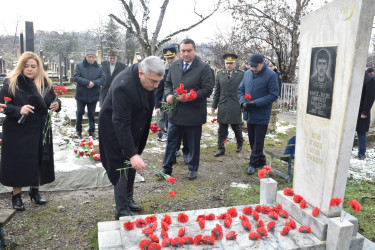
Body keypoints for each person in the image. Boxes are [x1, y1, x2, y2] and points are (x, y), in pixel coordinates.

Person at [99, 56, 165, 219]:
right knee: (121, 165)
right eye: (153, 82)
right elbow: (120, 122)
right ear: (141, 73)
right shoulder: (124, 85)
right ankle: (121, 210)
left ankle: (128, 199)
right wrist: (132, 153)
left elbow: (147, 102)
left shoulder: (147, 79)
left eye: (158, 82)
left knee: (131, 165)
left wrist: (134, 152)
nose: (156, 86)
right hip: (114, 129)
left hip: (133, 125)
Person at [0, 51, 61, 211]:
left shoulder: (45, 83)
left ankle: (35, 192)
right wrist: (19, 109)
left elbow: (53, 100)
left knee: (39, 160)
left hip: (39, 128)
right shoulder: (12, 82)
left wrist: (57, 105)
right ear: (21, 66)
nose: (29, 69)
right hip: (17, 129)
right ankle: (16, 195)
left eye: (33, 66)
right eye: (26, 66)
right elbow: (3, 105)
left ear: (38, 67)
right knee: (18, 162)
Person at [161, 38, 214, 180]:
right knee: (171, 142)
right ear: (180, 52)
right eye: (183, 51)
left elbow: (208, 89)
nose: (186, 54)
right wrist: (169, 95)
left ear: (194, 51)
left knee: (193, 143)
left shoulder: (203, 68)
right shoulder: (174, 65)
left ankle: (192, 168)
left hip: (194, 113)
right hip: (176, 112)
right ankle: (166, 168)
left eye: (189, 50)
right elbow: (167, 83)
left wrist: (192, 96)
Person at [238, 53, 279, 175]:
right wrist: (242, 102)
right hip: (249, 112)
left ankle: (253, 163)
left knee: (258, 140)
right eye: (251, 66)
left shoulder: (271, 75)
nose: (253, 69)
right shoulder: (247, 74)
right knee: (252, 139)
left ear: (262, 64)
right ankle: (261, 160)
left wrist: (255, 103)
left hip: (261, 113)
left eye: (255, 67)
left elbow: (273, 95)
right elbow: (240, 90)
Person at [211, 53, 244, 157]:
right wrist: (214, 105)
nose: (228, 65)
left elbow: (243, 90)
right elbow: (217, 91)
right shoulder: (220, 74)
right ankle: (221, 148)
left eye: (231, 63)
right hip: (223, 104)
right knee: (222, 128)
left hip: (236, 104)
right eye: (227, 63)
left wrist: (243, 104)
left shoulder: (241, 74)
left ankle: (240, 142)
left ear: (235, 63)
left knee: (236, 126)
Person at [74, 49, 105, 139]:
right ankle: (78, 131)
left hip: (93, 93)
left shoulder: (99, 67)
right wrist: (87, 82)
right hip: (81, 93)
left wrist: (94, 83)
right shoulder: (80, 65)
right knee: (80, 112)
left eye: (93, 57)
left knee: (91, 113)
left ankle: (92, 131)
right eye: (89, 57)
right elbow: (76, 77)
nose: (91, 59)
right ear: (85, 57)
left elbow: (102, 78)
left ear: (95, 57)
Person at [154, 45, 179, 142]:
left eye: (171, 58)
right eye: (167, 58)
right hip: (168, 103)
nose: (169, 61)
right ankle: (173, 148)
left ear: (177, 55)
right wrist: (157, 106)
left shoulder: (183, 68)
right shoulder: (164, 71)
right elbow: (159, 89)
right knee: (170, 126)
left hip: (182, 102)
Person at [355, 68, 375, 160]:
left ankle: (361, 153)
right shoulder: (355, 77)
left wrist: (365, 112)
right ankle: (349, 149)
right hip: (353, 110)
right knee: (350, 131)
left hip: (362, 111)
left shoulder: (370, 79)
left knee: (361, 132)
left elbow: (370, 98)